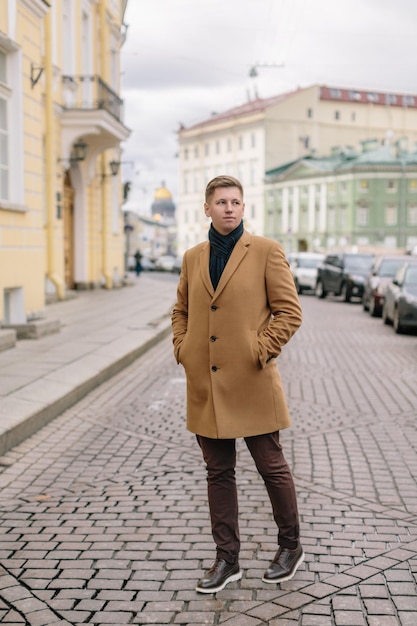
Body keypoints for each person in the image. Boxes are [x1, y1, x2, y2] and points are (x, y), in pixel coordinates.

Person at [171, 175, 304, 594]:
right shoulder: (193, 257)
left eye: (236, 202)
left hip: (252, 380)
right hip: (205, 386)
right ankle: (227, 559)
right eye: (221, 202)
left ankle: (290, 546)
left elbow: (289, 312)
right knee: (218, 472)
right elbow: (181, 310)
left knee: (272, 467)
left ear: (243, 208)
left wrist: (258, 350)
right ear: (207, 209)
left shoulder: (266, 251)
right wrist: (184, 348)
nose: (229, 208)